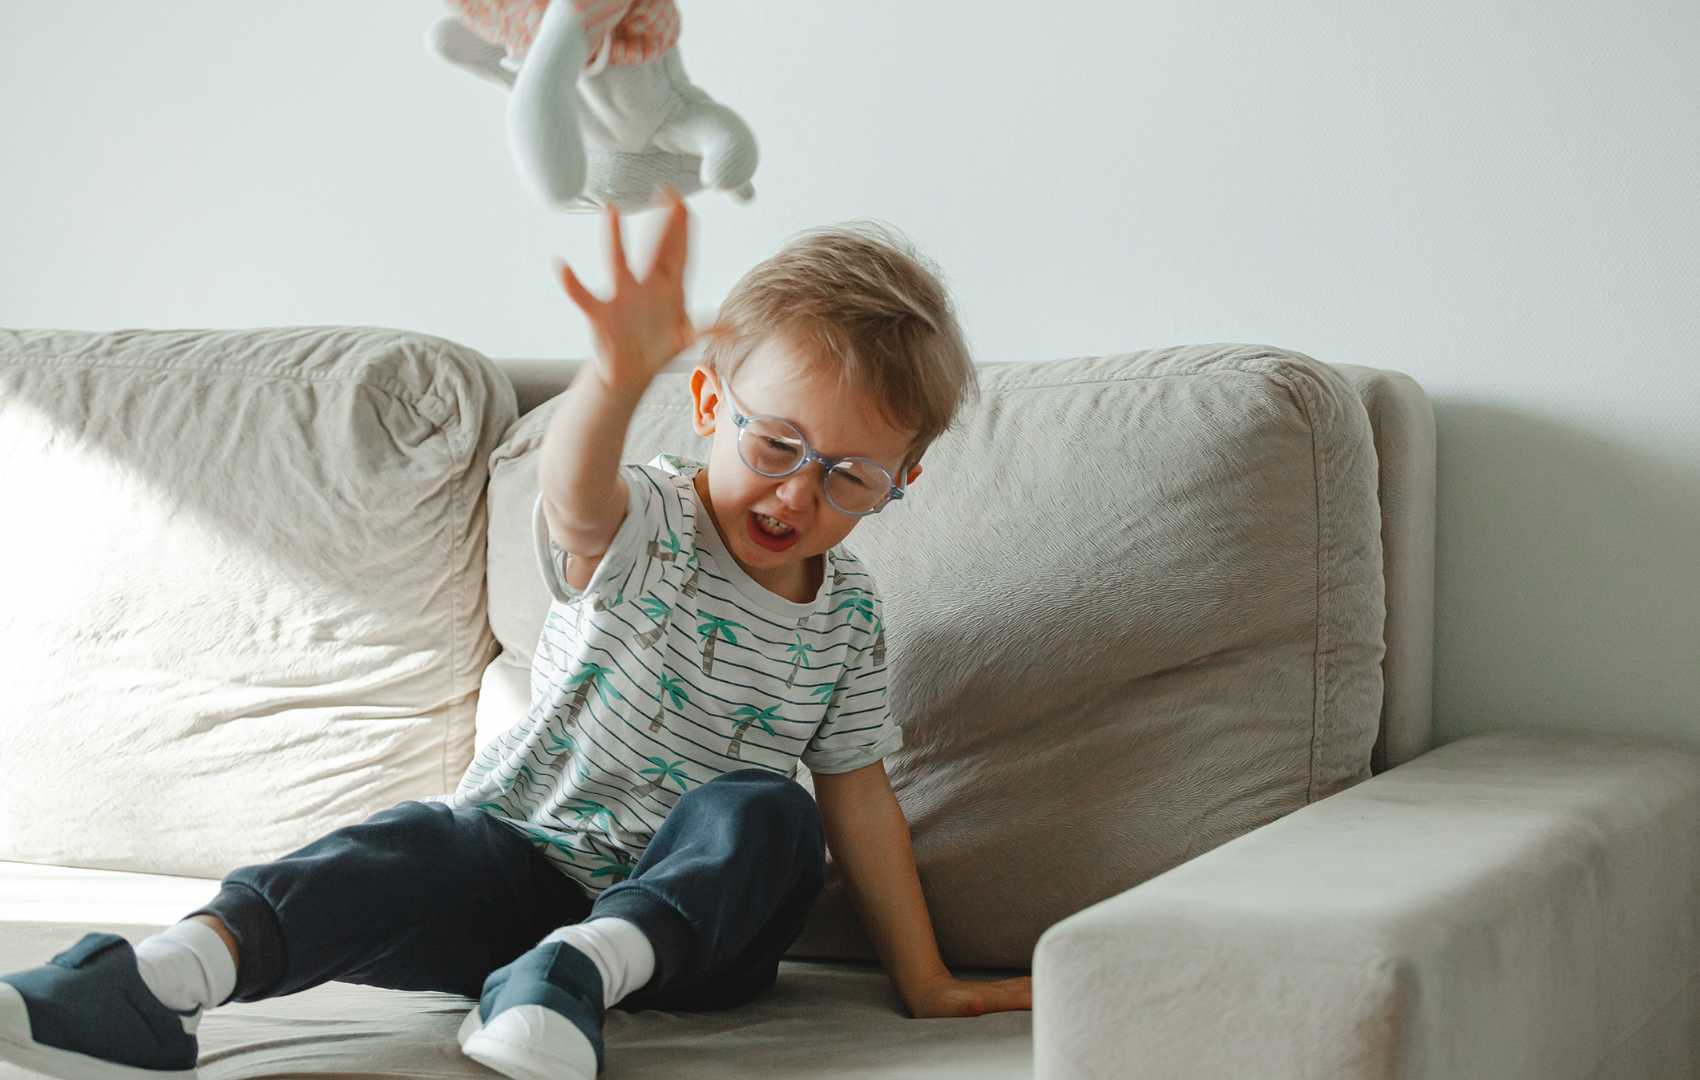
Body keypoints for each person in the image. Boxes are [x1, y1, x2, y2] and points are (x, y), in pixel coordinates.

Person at [0, 189, 1032, 1080]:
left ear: (901, 483)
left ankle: (574, 974)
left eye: (849, 475)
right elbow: (575, 498)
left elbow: (858, 797)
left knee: (771, 816)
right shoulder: (651, 525)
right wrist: (616, 378)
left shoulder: (846, 615)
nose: (798, 490)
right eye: (777, 444)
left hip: (687, 936)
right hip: (517, 870)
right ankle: (160, 979)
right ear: (712, 406)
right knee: (408, 842)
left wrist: (927, 979)